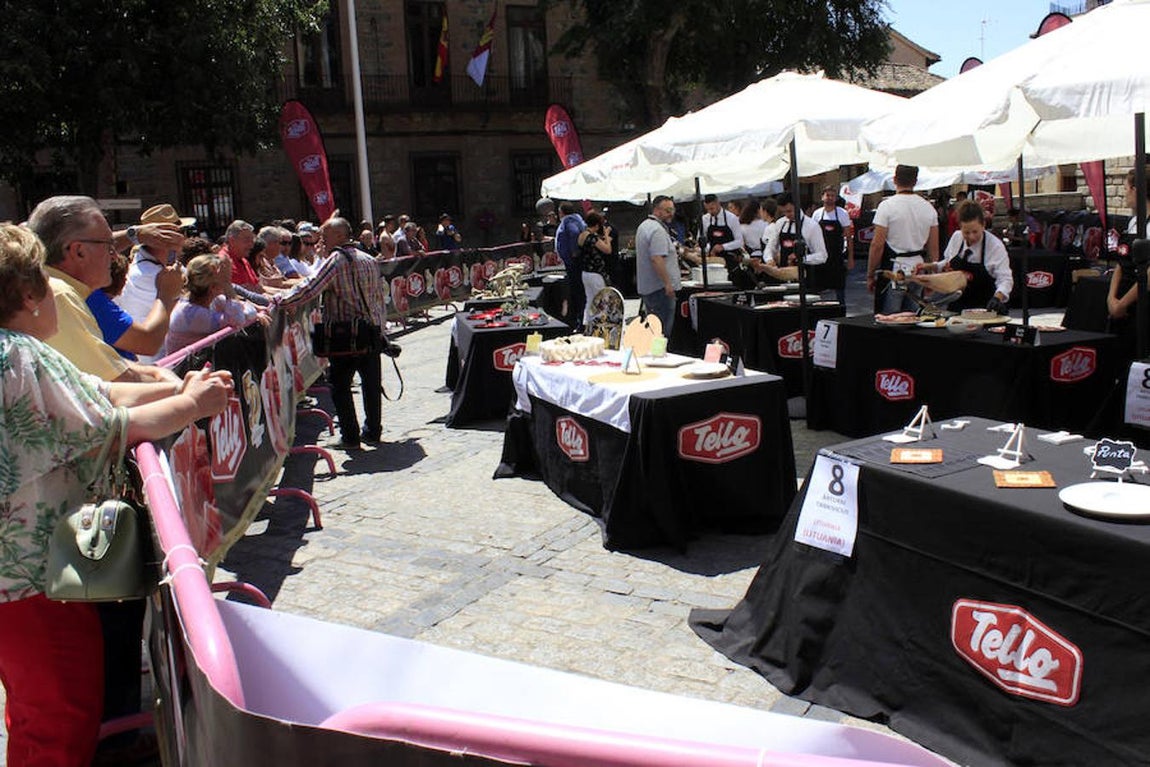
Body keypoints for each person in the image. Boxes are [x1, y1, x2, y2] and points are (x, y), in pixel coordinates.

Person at [0, 222, 232, 767]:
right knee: (60, 718)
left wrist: (180, 389)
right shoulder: (18, 357)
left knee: (37, 711)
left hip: (19, 581)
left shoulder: (20, 353)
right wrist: (194, 404)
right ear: (31, 294)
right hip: (31, 580)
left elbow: (98, 392)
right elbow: (114, 424)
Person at [26, 195, 183, 385]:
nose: (116, 255)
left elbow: (108, 366)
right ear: (78, 251)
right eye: (109, 245)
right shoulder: (59, 294)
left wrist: (134, 235)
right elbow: (121, 376)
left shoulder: (57, 286)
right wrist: (166, 295)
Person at [318, 216, 387, 448]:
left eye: (325, 235)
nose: (322, 240)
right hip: (371, 330)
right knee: (371, 384)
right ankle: (373, 431)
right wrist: (381, 329)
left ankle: (350, 436)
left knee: (340, 386)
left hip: (344, 334)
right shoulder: (368, 259)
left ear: (339, 235)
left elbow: (310, 289)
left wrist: (279, 301)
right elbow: (379, 298)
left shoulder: (335, 261)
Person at [866, 165, 940, 314]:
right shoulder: (928, 207)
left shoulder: (886, 206)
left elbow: (877, 245)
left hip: (895, 268)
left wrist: (870, 274)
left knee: (889, 318)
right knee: (913, 317)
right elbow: (933, 248)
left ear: (894, 180)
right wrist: (932, 277)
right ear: (915, 181)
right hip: (918, 267)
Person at [88, 248, 183, 362]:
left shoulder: (97, 299)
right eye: (107, 247)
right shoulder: (94, 300)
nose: (114, 254)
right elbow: (148, 343)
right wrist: (166, 295)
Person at [918, 199, 1013, 313]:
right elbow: (948, 263)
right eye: (966, 233)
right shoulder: (956, 238)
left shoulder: (995, 246)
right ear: (960, 227)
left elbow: (1005, 279)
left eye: (975, 232)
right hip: (957, 307)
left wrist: (997, 297)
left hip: (986, 308)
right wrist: (929, 266)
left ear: (983, 225)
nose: (971, 237)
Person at [164, 254, 262, 356]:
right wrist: (227, 284)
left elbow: (244, 308)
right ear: (213, 287)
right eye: (224, 277)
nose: (229, 280)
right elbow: (238, 319)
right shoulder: (190, 313)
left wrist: (247, 313)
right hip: (180, 365)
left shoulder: (215, 299)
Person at [1107, 166, 1150, 355]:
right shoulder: (1133, 222)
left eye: (1125, 189)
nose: (1125, 194)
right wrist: (1111, 298)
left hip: (1141, 304)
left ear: (1135, 190)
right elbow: (1121, 264)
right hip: (1122, 304)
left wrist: (1123, 303)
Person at [635, 195, 679, 336]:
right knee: (662, 332)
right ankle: (661, 350)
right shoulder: (657, 230)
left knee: (654, 330)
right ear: (657, 210)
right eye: (668, 210)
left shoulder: (644, 226)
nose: (671, 213)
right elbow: (657, 259)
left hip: (649, 288)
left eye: (672, 210)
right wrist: (668, 284)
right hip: (660, 290)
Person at [762, 193, 828, 273]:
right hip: (784, 273)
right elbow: (770, 247)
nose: (787, 215)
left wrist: (802, 258)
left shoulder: (812, 226)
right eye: (783, 212)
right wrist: (769, 259)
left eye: (789, 211)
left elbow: (822, 255)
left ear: (797, 206)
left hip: (806, 274)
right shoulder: (780, 223)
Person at [810, 186, 855, 304]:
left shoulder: (842, 213)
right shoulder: (817, 214)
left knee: (839, 290)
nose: (830, 198)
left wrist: (850, 258)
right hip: (820, 257)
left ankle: (840, 310)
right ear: (822, 197)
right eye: (827, 195)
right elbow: (812, 235)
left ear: (836, 198)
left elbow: (848, 237)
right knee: (817, 290)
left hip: (837, 257)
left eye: (832, 195)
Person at [577, 211, 614, 327]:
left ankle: (587, 323)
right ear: (597, 225)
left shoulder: (582, 235)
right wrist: (606, 235)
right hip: (596, 273)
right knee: (602, 299)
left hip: (585, 272)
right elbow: (608, 250)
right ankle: (602, 324)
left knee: (590, 299)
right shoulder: (593, 238)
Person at [555, 201, 587, 330]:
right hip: (573, 262)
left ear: (562, 212)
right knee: (579, 291)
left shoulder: (569, 221)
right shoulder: (576, 220)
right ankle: (580, 321)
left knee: (577, 292)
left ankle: (580, 323)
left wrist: (574, 252)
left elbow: (574, 233)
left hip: (573, 263)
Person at [699, 193, 745, 271]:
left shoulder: (732, 218)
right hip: (713, 259)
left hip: (730, 259)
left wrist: (723, 247)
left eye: (712, 208)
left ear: (718, 203)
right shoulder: (705, 219)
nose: (710, 212)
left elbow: (739, 242)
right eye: (707, 209)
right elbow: (702, 240)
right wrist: (705, 248)